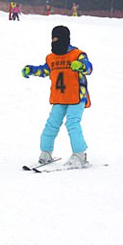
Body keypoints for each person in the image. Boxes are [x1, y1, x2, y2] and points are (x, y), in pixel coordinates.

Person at [22, 25, 93, 167]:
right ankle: (45, 152)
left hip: (76, 96)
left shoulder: (77, 54)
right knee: (52, 124)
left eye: (58, 39)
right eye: (53, 39)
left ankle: (79, 155)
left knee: (72, 123)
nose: (55, 42)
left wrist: (81, 65)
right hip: (59, 97)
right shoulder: (51, 58)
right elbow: (45, 70)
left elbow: (89, 67)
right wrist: (31, 70)